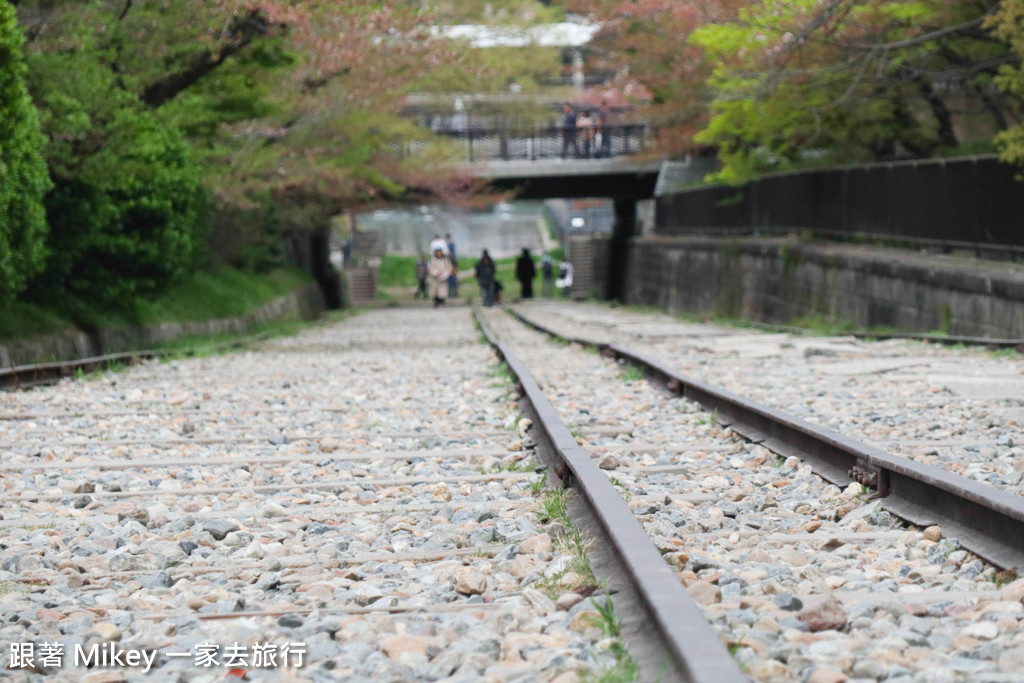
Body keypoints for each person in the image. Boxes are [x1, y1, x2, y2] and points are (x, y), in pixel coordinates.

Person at [445, 232, 458, 298]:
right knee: (450, 280)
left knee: (453, 279)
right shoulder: (448, 244)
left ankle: (454, 294)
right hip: (449, 263)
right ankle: (451, 294)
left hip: (451, 263)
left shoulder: (448, 244)